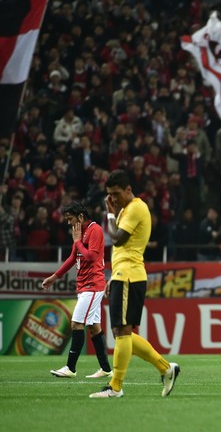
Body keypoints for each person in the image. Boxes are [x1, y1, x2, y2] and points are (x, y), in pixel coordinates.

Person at [89, 170, 180, 398]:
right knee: (123, 332)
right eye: (109, 196)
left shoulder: (136, 208)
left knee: (121, 331)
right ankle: (166, 368)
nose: (113, 200)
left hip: (130, 275)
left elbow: (118, 239)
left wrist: (109, 215)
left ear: (128, 189)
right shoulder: (127, 210)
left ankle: (116, 387)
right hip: (123, 274)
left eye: (116, 194)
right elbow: (122, 249)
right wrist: (112, 276)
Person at [42, 201, 112, 379]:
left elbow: (92, 256)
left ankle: (70, 368)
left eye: (70, 219)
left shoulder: (95, 230)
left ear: (81, 217)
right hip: (84, 286)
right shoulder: (80, 233)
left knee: (76, 323)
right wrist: (54, 277)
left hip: (93, 285)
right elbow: (73, 258)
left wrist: (77, 242)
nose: (68, 223)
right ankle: (106, 369)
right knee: (94, 328)